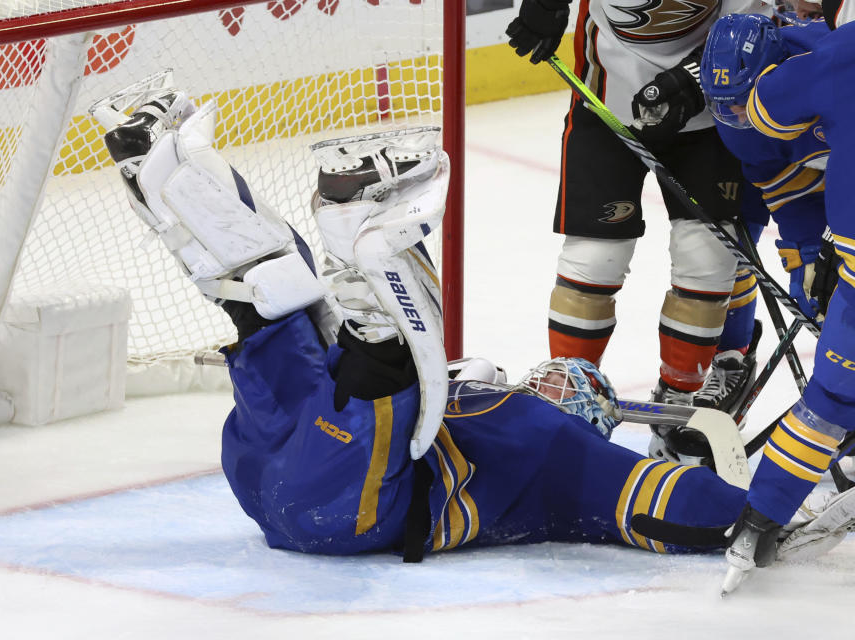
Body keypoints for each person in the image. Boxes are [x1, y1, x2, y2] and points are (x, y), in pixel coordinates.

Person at [98, 91, 855, 569]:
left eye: (573, 388)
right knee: (279, 302)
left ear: (583, 415)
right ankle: (174, 187)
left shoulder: (566, 454)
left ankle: (371, 296)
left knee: (379, 381)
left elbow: (665, 499)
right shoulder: (499, 402)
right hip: (276, 463)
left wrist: (767, 521)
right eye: (562, 376)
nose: (553, 381)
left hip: (342, 508)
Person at [505, 0, 770, 466]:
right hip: (605, 99)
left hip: (712, 110)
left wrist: (694, 76)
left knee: (706, 260)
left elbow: (758, 20)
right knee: (592, 258)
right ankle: (572, 398)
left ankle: (679, 410)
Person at [698, 6, 855, 590]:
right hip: (837, 217)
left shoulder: (818, 59)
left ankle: (766, 510)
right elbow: (785, 191)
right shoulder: (742, 117)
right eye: (724, 107)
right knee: (834, 389)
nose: (736, 117)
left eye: (743, 102)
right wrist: (808, 257)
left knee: (834, 393)